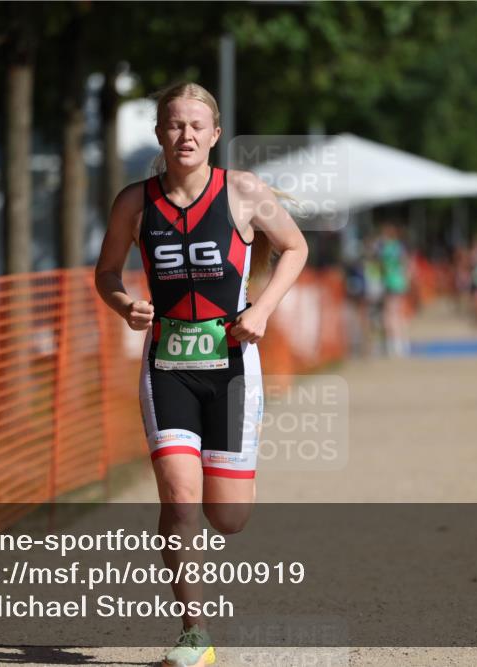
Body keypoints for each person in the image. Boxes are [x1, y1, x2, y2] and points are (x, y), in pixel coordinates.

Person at [94, 82, 307, 667]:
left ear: (214, 135)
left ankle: (224, 499)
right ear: (160, 134)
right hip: (168, 366)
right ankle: (195, 635)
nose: (184, 135)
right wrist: (122, 302)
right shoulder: (134, 202)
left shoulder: (242, 192)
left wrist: (260, 309)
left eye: (196, 126)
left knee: (228, 516)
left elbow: (294, 247)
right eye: (173, 125)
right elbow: (107, 272)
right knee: (180, 498)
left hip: (234, 367)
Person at [378, 222, 412, 356]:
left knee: (389, 314)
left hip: (391, 283)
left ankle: (393, 343)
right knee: (399, 313)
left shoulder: (385, 249)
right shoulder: (399, 247)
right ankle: (403, 342)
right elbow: (405, 265)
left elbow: (383, 268)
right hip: (400, 283)